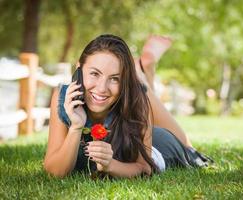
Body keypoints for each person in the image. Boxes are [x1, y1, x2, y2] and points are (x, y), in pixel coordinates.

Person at [43, 34, 212, 179]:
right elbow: (54, 171)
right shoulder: (63, 97)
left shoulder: (135, 99)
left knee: (188, 147)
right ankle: (142, 74)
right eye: (94, 74)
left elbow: (145, 168)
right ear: (78, 69)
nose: (102, 88)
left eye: (115, 78)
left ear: (123, 81)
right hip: (138, 133)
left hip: (159, 146)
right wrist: (76, 127)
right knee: (140, 94)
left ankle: (142, 76)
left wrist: (111, 165)